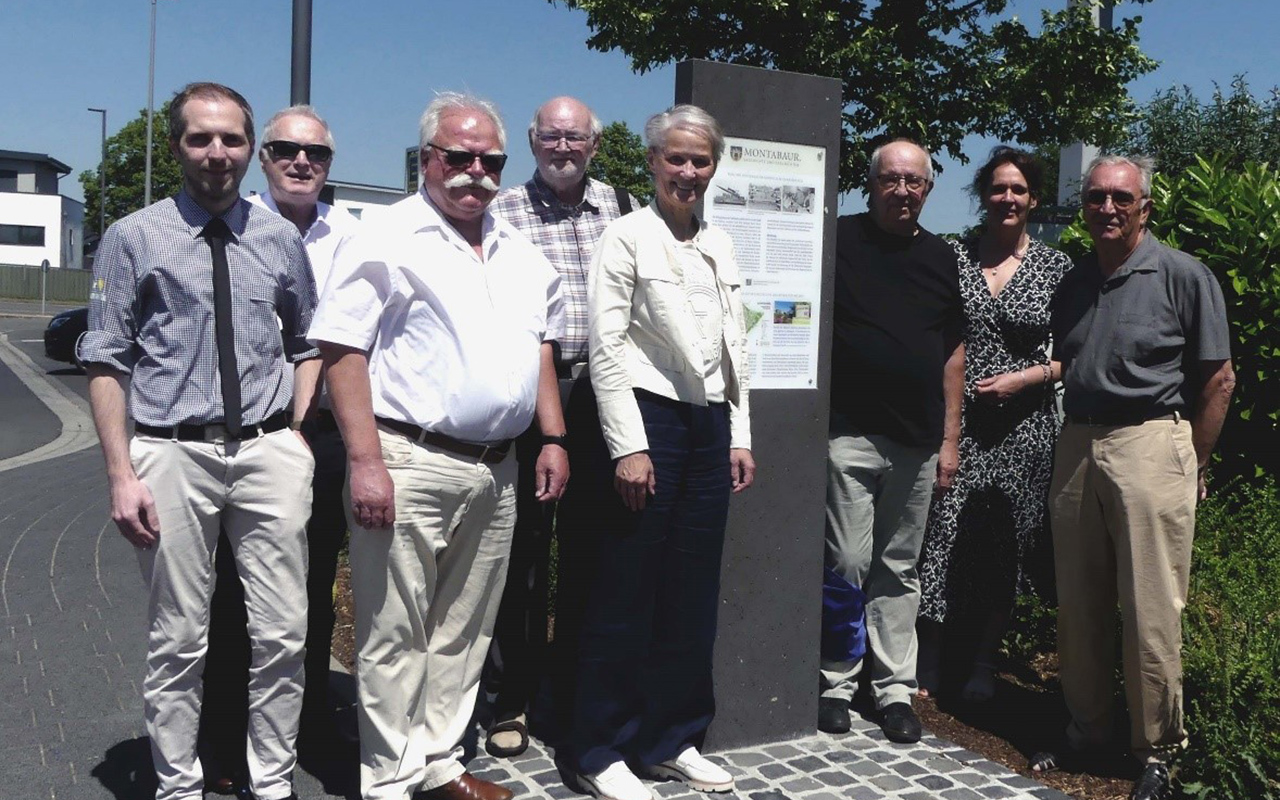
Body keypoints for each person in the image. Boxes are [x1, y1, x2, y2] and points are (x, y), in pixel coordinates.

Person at [307, 91, 568, 800]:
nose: (475, 171)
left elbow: (539, 347)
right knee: (394, 629)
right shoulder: (386, 235)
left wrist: (552, 435)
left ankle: (440, 763)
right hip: (407, 459)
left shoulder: (518, 248)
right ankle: (388, 781)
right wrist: (364, 461)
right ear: (426, 159)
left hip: (498, 469)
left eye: (490, 160)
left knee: (463, 629)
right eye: (458, 156)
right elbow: (341, 348)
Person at [80, 82, 319, 800]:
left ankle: (270, 780)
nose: (218, 153)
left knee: (282, 633)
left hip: (267, 452)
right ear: (179, 144)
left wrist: (298, 437)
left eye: (231, 139)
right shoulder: (134, 237)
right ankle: (178, 785)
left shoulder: (278, 236)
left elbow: (308, 344)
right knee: (179, 639)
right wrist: (121, 474)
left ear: (250, 148)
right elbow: (104, 358)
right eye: (200, 139)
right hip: (170, 452)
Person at [558, 104, 754, 800]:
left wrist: (739, 434)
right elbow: (606, 348)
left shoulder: (721, 244)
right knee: (625, 590)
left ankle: (672, 738)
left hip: (706, 428)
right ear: (650, 162)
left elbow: (737, 349)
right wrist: (628, 447)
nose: (689, 171)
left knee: (690, 595)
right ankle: (599, 748)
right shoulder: (627, 237)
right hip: (647, 421)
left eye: (701, 160)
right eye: (676, 158)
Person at [1036, 154, 1234, 800]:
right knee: (1080, 601)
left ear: (1145, 206)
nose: (1108, 209)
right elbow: (1069, 362)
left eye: (1122, 198)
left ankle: (1157, 751)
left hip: (1153, 440)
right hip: (1079, 444)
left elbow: (1218, 379)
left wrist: (1193, 462)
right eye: (1096, 198)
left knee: (1150, 608)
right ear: (1084, 206)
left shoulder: (1182, 275)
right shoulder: (1075, 281)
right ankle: (1087, 728)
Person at [485, 95, 639, 758]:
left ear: (595, 145)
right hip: (532, 393)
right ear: (532, 142)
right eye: (551, 136)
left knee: (593, 550)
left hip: (607, 393)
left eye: (575, 137)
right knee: (522, 554)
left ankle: (571, 691)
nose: (563, 147)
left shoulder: (626, 207)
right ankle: (510, 699)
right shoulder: (501, 211)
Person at [819, 139, 964, 742]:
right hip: (848, 432)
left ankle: (893, 690)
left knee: (899, 568)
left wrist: (951, 437)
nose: (903, 191)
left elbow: (954, 350)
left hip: (917, 439)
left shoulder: (941, 257)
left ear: (928, 189)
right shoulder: (839, 241)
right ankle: (834, 681)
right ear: (870, 184)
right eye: (891, 179)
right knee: (846, 562)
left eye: (914, 181)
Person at [916, 147, 1071, 702]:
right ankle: (927, 659)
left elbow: (1076, 356)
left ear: (1033, 200)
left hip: (1024, 433)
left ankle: (982, 663)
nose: (1007, 198)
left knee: (1006, 545)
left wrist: (1026, 379)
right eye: (998, 188)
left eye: (1019, 190)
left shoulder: (1057, 268)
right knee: (942, 536)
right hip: (955, 424)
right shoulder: (951, 255)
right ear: (982, 194)